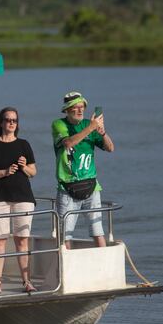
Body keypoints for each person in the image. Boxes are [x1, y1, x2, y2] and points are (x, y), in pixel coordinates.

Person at [0, 107, 38, 294]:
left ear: (17, 123)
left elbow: (33, 172)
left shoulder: (24, 144)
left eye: (14, 120)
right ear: (1, 122)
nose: (11, 123)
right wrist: (4, 172)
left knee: (22, 240)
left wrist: (23, 167)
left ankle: (26, 281)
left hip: (23, 197)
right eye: (7, 120)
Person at [52, 91, 115, 249]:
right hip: (67, 188)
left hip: (91, 185)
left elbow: (110, 148)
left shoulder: (89, 124)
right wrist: (92, 127)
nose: (80, 111)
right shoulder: (59, 124)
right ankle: (66, 269)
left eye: (82, 107)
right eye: (76, 108)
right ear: (67, 110)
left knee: (97, 231)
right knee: (64, 234)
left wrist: (102, 132)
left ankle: (104, 265)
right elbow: (68, 143)